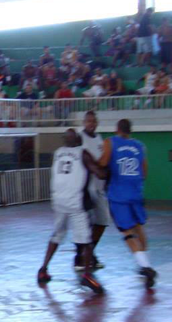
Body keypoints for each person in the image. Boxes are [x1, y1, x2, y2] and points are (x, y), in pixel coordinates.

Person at [37, 129, 106, 294]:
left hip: (58, 201)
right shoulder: (83, 153)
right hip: (76, 202)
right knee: (86, 240)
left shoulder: (58, 153)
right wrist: (109, 169)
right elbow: (100, 174)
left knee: (57, 235)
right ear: (77, 139)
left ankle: (43, 269)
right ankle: (87, 275)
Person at [98, 119, 157, 288]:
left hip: (119, 194)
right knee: (139, 228)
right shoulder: (139, 146)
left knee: (127, 233)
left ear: (117, 129)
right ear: (130, 130)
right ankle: (145, 264)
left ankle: (146, 268)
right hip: (136, 192)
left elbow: (102, 163)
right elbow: (144, 172)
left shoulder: (111, 142)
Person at [76, 111, 110, 270]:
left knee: (102, 222)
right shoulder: (79, 137)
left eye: (93, 121)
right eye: (88, 121)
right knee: (85, 224)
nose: (91, 123)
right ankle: (80, 257)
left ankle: (90, 253)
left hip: (99, 186)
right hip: (85, 188)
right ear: (84, 122)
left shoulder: (99, 138)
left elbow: (102, 159)